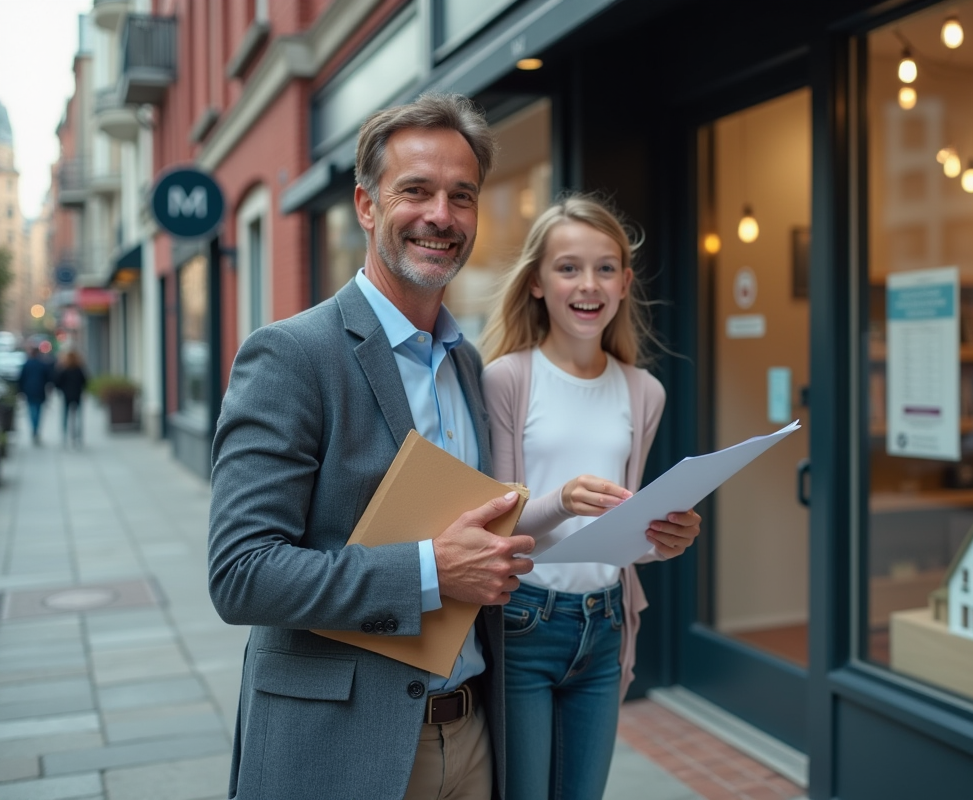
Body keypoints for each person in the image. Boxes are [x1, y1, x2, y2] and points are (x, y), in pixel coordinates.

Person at [208, 94, 536, 800]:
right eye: (415, 191)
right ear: (365, 205)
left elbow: (478, 544)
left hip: (473, 735)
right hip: (343, 748)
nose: (441, 216)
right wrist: (428, 571)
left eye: (462, 196)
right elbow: (241, 574)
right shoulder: (291, 355)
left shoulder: (466, 363)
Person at [479, 195, 702, 800]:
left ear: (625, 283)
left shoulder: (644, 391)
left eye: (605, 268)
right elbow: (499, 527)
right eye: (568, 267)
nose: (588, 284)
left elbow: (623, 536)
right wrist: (562, 500)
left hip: (605, 625)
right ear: (536, 283)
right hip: (524, 621)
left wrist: (665, 540)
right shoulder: (508, 379)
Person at [16, 344, 55, 445]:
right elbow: (49, 378)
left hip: (29, 390)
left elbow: (21, 378)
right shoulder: (42, 364)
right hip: (40, 391)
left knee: (31, 410)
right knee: (38, 411)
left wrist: (20, 390)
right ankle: (36, 429)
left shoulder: (27, 364)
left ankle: (34, 429)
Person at [54, 350, 88, 447]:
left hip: (67, 395)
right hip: (77, 395)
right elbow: (85, 381)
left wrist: (62, 389)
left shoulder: (64, 370)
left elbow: (57, 382)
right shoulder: (79, 369)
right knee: (78, 416)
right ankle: (77, 436)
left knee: (65, 415)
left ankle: (65, 435)